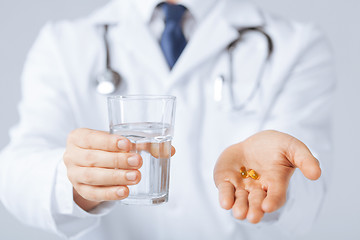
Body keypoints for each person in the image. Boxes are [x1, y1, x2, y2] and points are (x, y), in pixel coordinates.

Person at [0, 0, 335, 239]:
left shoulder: (295, 45)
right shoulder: (64, 43)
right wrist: (76, 182)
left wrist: (280, 180)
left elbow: (308, 186)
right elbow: (15, 171)